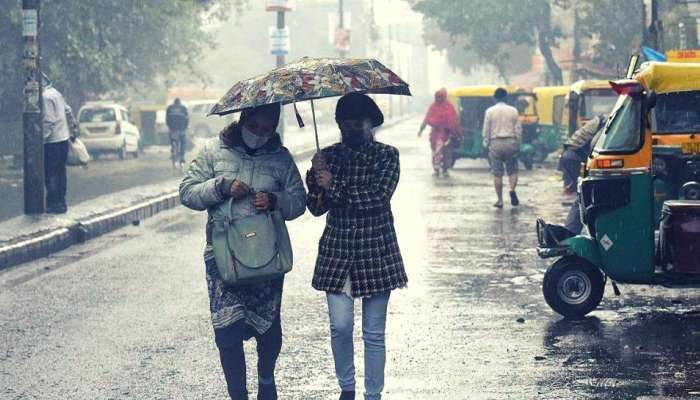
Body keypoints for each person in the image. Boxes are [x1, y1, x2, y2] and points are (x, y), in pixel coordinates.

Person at [179, 103, 306, 400]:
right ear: (242, 120)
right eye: (253, 128)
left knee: (268, 329)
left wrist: (274, 200)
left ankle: (266, 381)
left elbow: (299, 202)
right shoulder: (213, 150)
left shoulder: (281, 158)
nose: (259, 135)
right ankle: (238, 394)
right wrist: (221, 187)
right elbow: (187, 191)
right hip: (223, 256)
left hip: (266, 255)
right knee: (227, 330)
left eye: (266, 130)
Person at [306, 93, 408, 400]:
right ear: (338, 125)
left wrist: (334, 185)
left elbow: (377, 198)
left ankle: (372, 394)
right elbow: (315, 208)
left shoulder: (387, 156)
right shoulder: (329, 157)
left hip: (376, 251)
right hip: (337, 253)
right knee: (340, 327)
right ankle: (346, 388)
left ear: (371, 124)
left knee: (374, 332)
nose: (352, 130)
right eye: (346, 124)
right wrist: (315, 179)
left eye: (358, 124)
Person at [482, 88, 522, 208]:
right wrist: (518, 143)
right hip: (511, 142)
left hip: (495, 143)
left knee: (497, 174)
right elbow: (518, 129)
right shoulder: (513, 111)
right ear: (506, 97)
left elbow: (486, 130)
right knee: (512, 170)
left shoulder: (489, 111)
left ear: (495, 98)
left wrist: (486, 144)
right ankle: (512, 189)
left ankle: (499, 200)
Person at [42, 82, 75, 214]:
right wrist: (72, 128)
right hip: (63, 139)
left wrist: (41, 140)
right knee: (61, 172)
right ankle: (61, 202)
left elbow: (48, 121)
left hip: (52, 141)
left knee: (51, 173)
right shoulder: (56, 93)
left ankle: (53, 204)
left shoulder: (44, 97)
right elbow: (68, 110)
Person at [418, 88, 461, 177]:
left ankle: (445, 169)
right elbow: (426, 119)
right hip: (436, 135)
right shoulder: (433, 106)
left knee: (447, 153)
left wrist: (457, 133)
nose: (438, 99)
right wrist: (421, 130)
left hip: (448, 134)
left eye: (440, 97)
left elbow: (454, 120)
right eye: (437, 97)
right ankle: (436, 168)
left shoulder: (449, 106)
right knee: (436, 152)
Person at [559, 115, 606, 195]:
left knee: (571, 186)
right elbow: (592, 146)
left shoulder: (595, 123)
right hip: (572, 157)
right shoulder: (601, 127)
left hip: (566, 155)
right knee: (574, 187)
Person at [166, 98, 189, 164]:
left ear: (174, 102)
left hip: (172, 129)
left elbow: (167, 119)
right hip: (181, 129)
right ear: (180, 102)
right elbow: (187, 119)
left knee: (172, 139)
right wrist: (186, 127)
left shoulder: (169, 108)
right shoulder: (183, 108)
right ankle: (182, 156)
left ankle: (173, 149)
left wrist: (170, 127)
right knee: (183, 142)